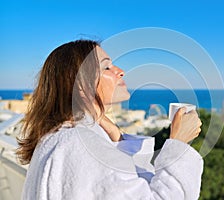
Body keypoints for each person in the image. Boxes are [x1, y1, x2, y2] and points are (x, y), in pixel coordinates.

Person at [17, 40, 204, 200]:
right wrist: (179, 144)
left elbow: (130, 186)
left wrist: (118, 140)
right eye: (107, 67)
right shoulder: (81, 145)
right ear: (81, 86)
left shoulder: (65, 138)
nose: (121, 71)